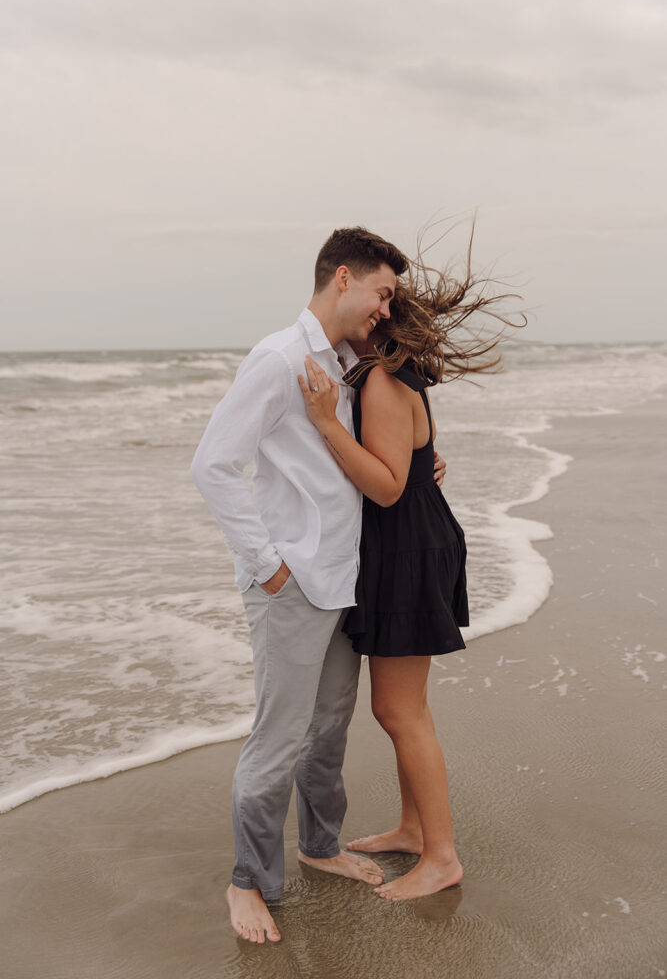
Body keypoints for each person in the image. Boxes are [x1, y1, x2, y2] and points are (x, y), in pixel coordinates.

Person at [190, 227, 411, 943]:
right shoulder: (279, 358)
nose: (385, 308)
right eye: (381, 293)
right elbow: (214, 464)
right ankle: (245, 882)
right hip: (291, 582)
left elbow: (351, 464)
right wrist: (267, 564)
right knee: (278, 740)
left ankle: (319, 847)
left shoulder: (346, 364)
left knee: (325, 733)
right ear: (341, 277)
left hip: (340, 579)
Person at [298, 237, 517, 900]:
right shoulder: (387, 378)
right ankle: (412, 830)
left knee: (399, 712)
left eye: (381, 305)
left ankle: (441, 856)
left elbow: (388, 487)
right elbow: (414, 467)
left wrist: (323, 424)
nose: (369, 315)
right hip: (409, 543)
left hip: (406, 550)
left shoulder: (383, 383)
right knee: (404, 708)